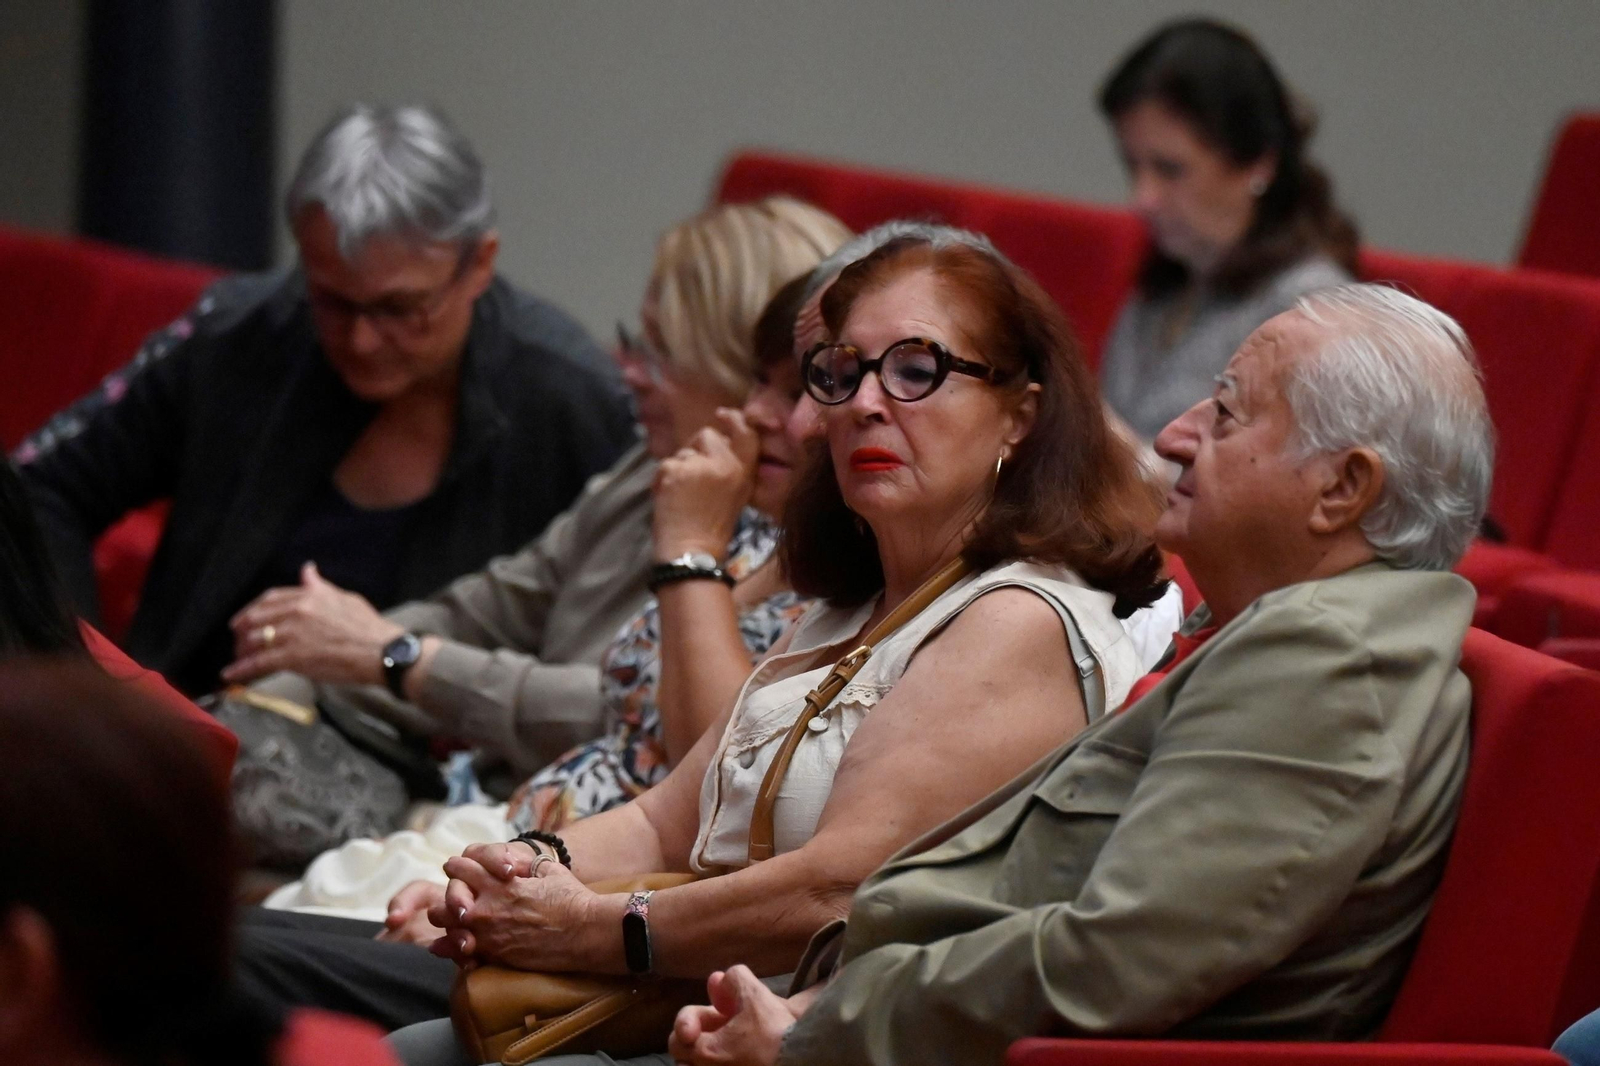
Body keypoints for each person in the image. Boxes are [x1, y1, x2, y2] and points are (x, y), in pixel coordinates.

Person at [383, 231, 1176, 1063]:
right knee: (404, 1044)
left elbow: (840, 889)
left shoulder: (1021, 616)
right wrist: (512, 872)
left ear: (1021, 412)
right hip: (696, 994)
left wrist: (590, 928)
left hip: (826, 1037)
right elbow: (663, 820)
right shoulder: (843, 607)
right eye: (840, 372)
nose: (866, 402)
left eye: (916, 370)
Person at [666, 283, 1495, 1066]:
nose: (1174, 434)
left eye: (1227, 414)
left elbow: (1114, 961)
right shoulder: (1284, 631)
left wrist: (817, 1035)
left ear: (1342, 488)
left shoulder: (1327, 657)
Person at [215, 198, 851, 871]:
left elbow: (642, 724)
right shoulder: (653, 462)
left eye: (660, 352)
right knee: (202, 759)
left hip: (560, 848)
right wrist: (321, 651)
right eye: (637, 340)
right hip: (496, 805)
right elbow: (496, 602)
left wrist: (399, 658)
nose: (626, 371)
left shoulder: (797, 539)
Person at [14, 102, 636, 696]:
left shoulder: (571, 399)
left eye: (400, 308)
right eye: (333, 301)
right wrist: (82, 682)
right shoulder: (239, 337)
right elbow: (39, 490)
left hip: (451, 774)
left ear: (479, 265)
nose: (362, 341)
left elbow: (618, 651)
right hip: (203, 725)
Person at [1097, 18, 1357, 443]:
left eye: (1170, 169)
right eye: (1133, 166)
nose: (1142, 197)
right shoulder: (1166, 286)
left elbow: (1279, 490)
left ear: (1258, 164)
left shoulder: (1310, 311)